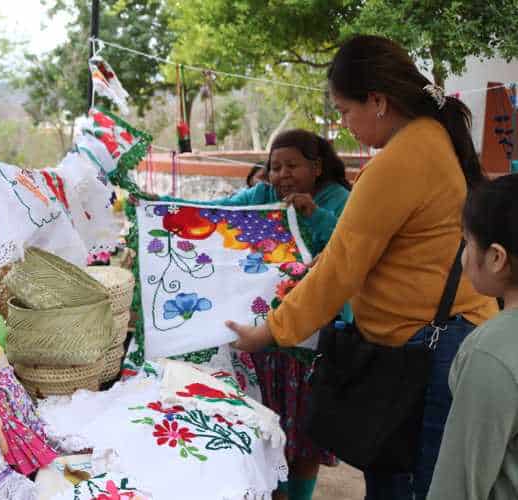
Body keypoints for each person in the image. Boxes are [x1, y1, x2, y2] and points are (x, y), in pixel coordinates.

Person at [226, 35, 498, 500]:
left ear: (377, 101)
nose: (343, 124)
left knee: (406, 485)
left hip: (426, 352)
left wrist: (271, 331)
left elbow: (341, 266)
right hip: (440, 339)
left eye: (345, 110)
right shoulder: (431, 139)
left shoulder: (403, 158)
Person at [148, 129, 351, 500]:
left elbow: (349, 250)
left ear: (317, 167)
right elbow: (218, 212)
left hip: (311, 341)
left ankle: (298, 496)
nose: (283, 175)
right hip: (262, 337)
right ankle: (274, 493)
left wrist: (316, 216)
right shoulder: (262, 196)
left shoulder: (339, 200)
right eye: (275, 167)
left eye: (292, 165)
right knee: (262, 422)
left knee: (303, 435)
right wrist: (160, 205)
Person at [427, 175, 518, 500]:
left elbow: (457, 485)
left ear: (496, 257)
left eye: (466, 241)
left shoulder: (490, 353)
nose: (463, 255)